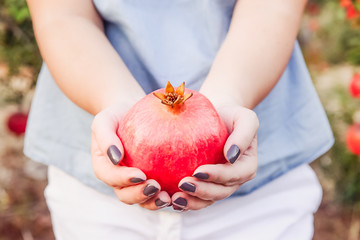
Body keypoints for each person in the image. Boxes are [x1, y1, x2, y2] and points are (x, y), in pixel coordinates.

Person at [24, 0, 334, 239]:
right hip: (95, 185)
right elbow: (61, 14)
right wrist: (119, 107)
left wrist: (226, 101)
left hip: (259, 192)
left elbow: (271, 8)